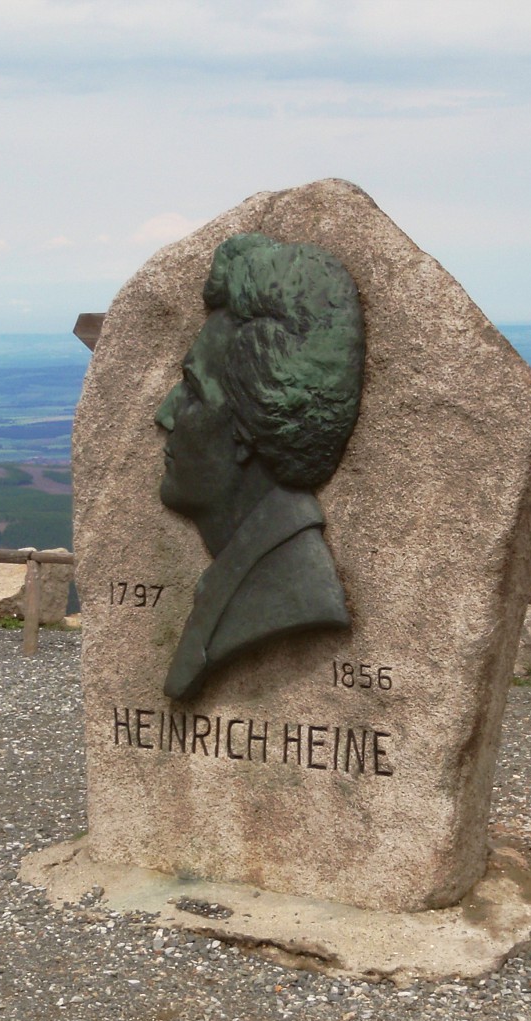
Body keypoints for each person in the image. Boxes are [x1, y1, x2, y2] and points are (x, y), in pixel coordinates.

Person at [154, 233, 366, 702]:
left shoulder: (298, 588)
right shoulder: (255, 562)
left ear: (248, 429)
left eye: (192, 390)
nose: (164, 415)